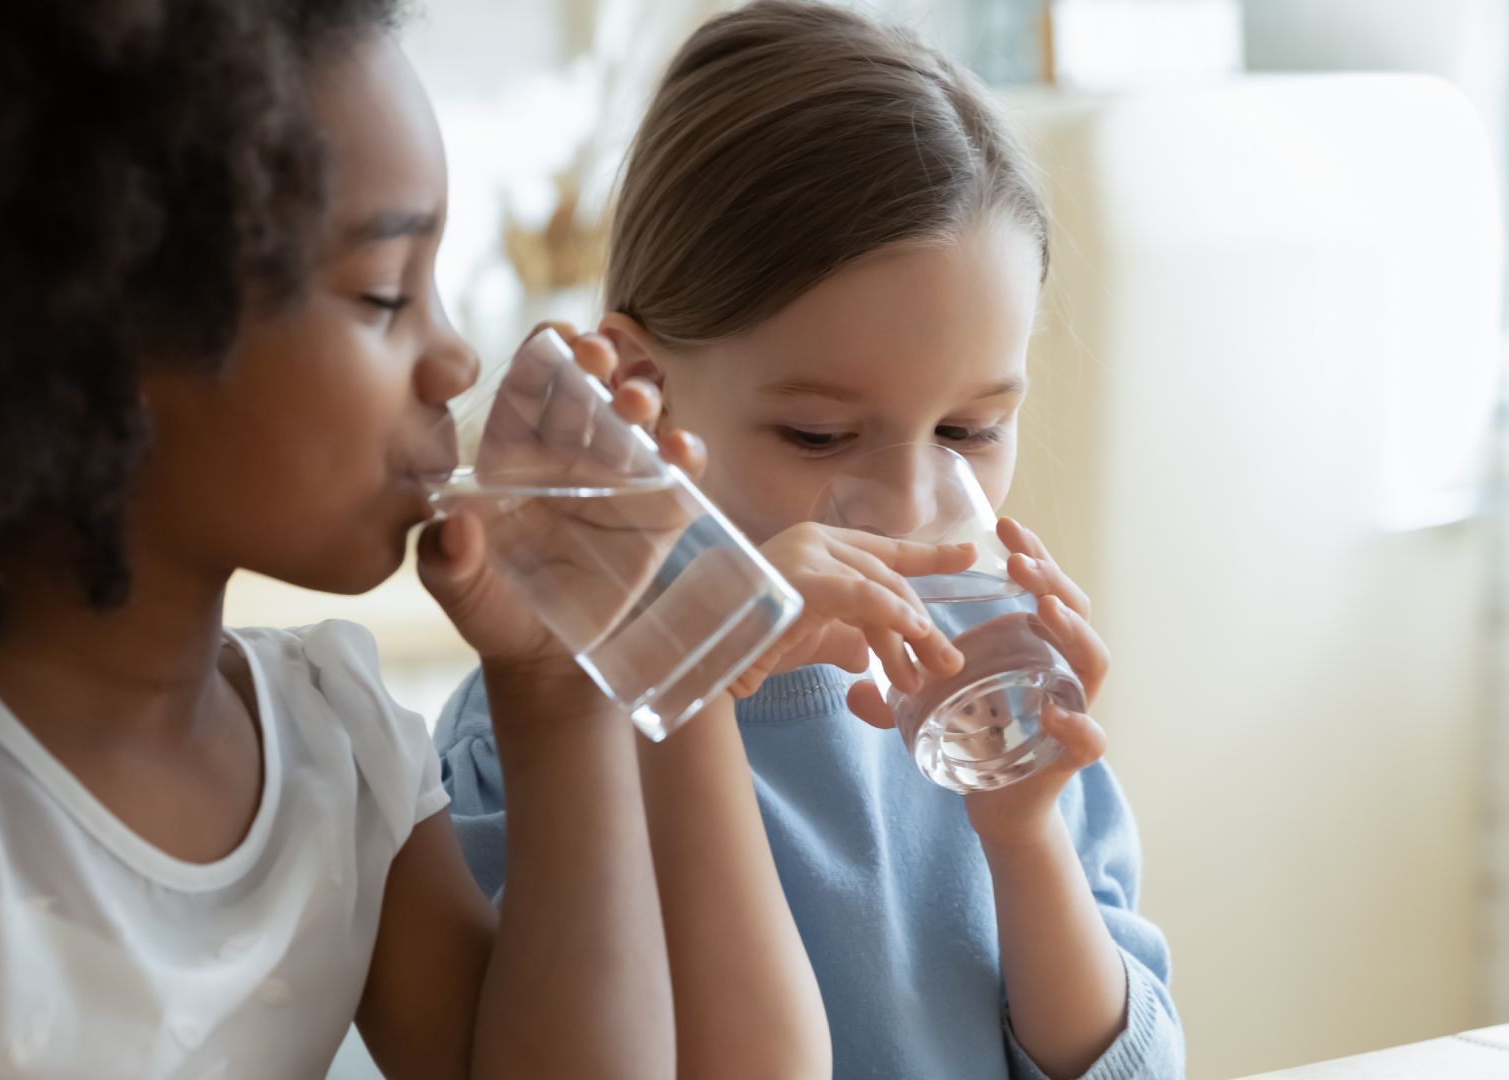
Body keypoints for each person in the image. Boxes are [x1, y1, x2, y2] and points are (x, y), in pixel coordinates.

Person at [0, 1, 829, 1076]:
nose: (454, 356)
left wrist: (555, 687)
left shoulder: (337, 756)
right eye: (385, 295)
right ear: (97, 340)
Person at [435, 3, 1187, 1078]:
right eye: (821, 434)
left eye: (971, 429)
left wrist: (1024, 843)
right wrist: (691, 650)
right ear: (640, 394)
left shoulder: (994, 712)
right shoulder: (548, 726)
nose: (916, 504)